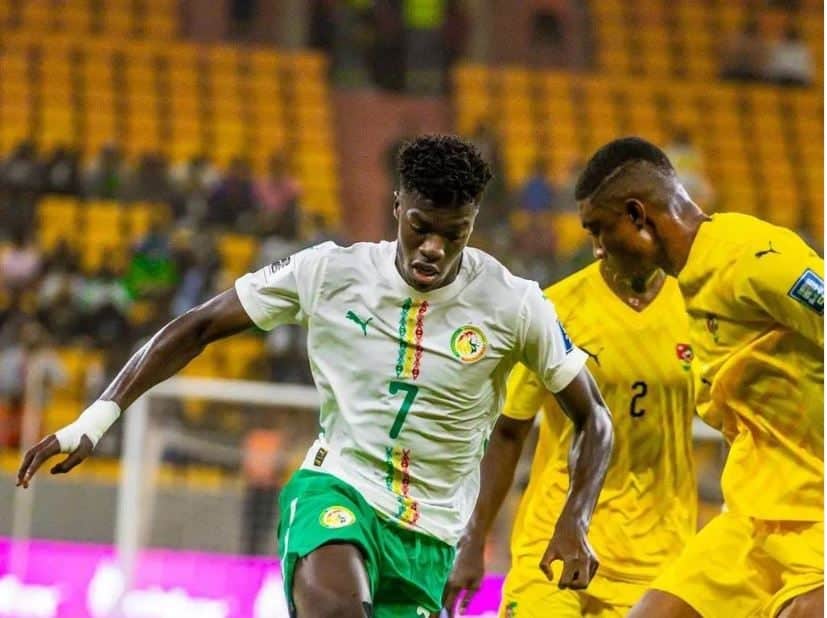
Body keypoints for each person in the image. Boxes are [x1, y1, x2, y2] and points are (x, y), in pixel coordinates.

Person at [16, 135, 614, 618]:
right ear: (397, 207)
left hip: (430, 536)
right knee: (335, 607)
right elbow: (198, 327)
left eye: (452, 234)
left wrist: (576, 516)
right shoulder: (330, 272)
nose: (433, 248)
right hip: (339, 487)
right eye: (420, 227)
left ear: (472, 224)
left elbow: (594, 419)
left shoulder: (514, 304)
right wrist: (95, 418)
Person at [574, 137, 823, 618]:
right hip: (752, 524)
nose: (598, 250)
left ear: (637, 215)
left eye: (600, 231)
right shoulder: (686, 286)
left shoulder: (754, 259)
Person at [446, 202, 698, 616]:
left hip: (658, 560)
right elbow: (509, 430)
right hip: (552, 545)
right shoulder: (556, 308)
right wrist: (473, 539)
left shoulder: (696, 310)